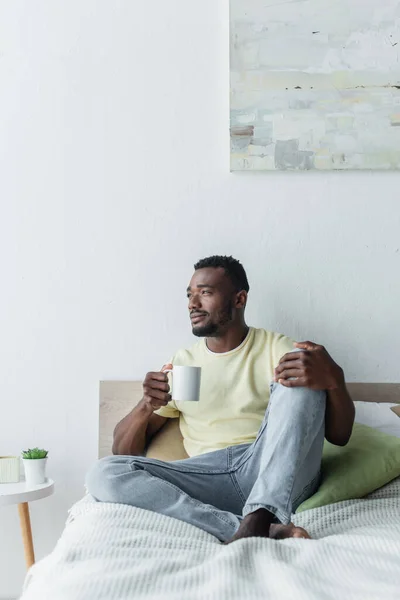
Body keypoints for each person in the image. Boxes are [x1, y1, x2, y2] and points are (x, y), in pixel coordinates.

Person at [86, 255, 355, 543]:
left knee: (302, 373)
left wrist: (334, 378)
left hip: (269, 465)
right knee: (104, 473)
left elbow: (339, 437)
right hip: (210, 476)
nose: (192, 303)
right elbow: (123, 450)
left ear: (239, 299)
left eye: (205, 293)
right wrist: (145, 406)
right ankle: (245, 526)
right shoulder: (183, 363)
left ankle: (263, 512)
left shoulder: (277, 349)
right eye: (190, 295)